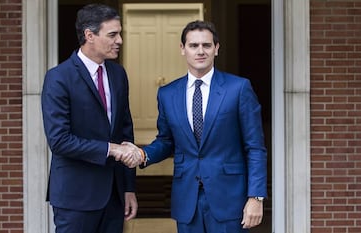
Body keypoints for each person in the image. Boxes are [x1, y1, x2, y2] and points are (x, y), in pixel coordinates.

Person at [134, 20, 267, 233]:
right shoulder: (168, 94)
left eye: (206, 45)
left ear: (216, 49)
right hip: (187, 200)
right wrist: (142, 154)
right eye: (193, 45)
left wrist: (256, 197)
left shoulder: (239, 88)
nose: (200, 51)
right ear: (182, 49)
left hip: (229, 199)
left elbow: (255, 147)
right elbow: (166, 141)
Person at [41, 4, 142, 233]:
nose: (120, 41)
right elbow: (59, 140)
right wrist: (111, 149)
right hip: (75, 197)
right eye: (112, 35)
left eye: (120, 34)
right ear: (89, 35)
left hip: (114, 197)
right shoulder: (59, 78)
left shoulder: (118, 74)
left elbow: (126, 133)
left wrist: (128, 188)